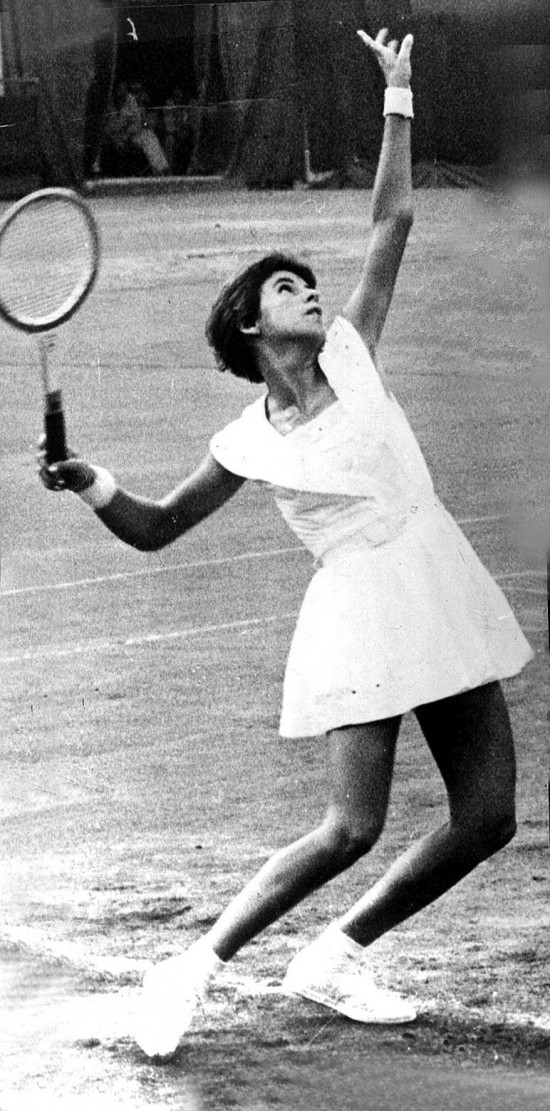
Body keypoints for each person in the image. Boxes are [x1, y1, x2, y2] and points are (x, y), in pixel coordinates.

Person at [38, 29, 533, 1060]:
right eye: (284, 288)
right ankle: (193, 966)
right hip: (360, 608)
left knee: (486, 816)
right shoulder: (245, 439)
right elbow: (159, 527)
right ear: (251, 331)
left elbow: (392, 216)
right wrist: (92, 482)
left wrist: (396, 98)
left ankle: (336, 953)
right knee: (348, 826)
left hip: (434, 576)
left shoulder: (350, 351)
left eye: (306, 282)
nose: (307, 290)